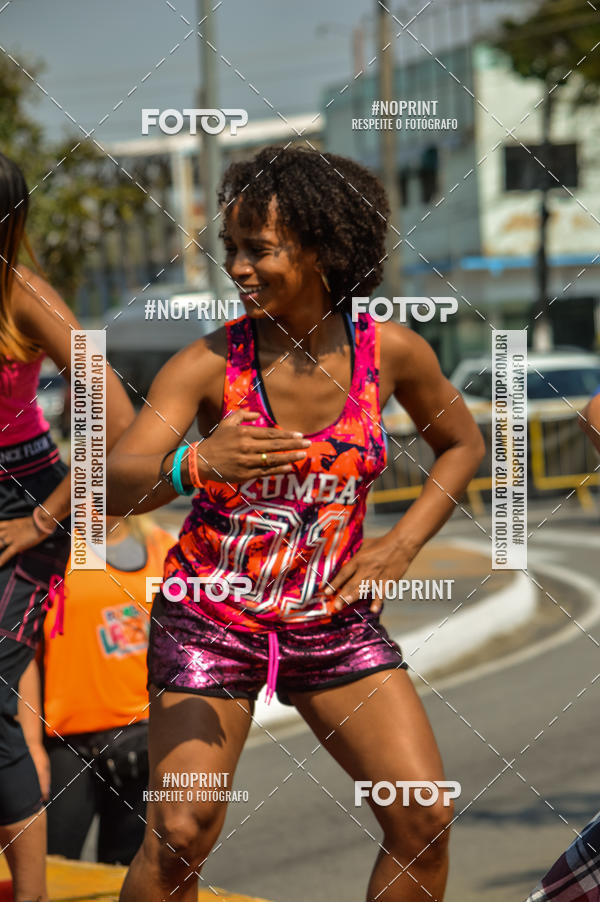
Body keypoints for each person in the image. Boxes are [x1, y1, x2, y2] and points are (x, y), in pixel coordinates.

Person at [106, 144, 485, 902]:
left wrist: (402, 543)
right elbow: (113, 481)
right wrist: (194, 465)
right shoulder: (209, 363)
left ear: (323, 248)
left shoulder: (393, 355)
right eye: (232, 251)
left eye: (260, 250)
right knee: (182, 833)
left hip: (331, 620)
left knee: (425, 820)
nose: (239, 268)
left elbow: (462, 444)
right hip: (210, 618)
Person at [0, 152, 135, 902]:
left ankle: (32, 895)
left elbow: (114, 414)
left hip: (20, 509)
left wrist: (45, 517)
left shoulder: (26, 297)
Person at [40, 514, 175, 865]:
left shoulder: (164, 548)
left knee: (130, 872)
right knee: (51, 870)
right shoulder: (52, 553)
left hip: (145, 737)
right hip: (65, 742)